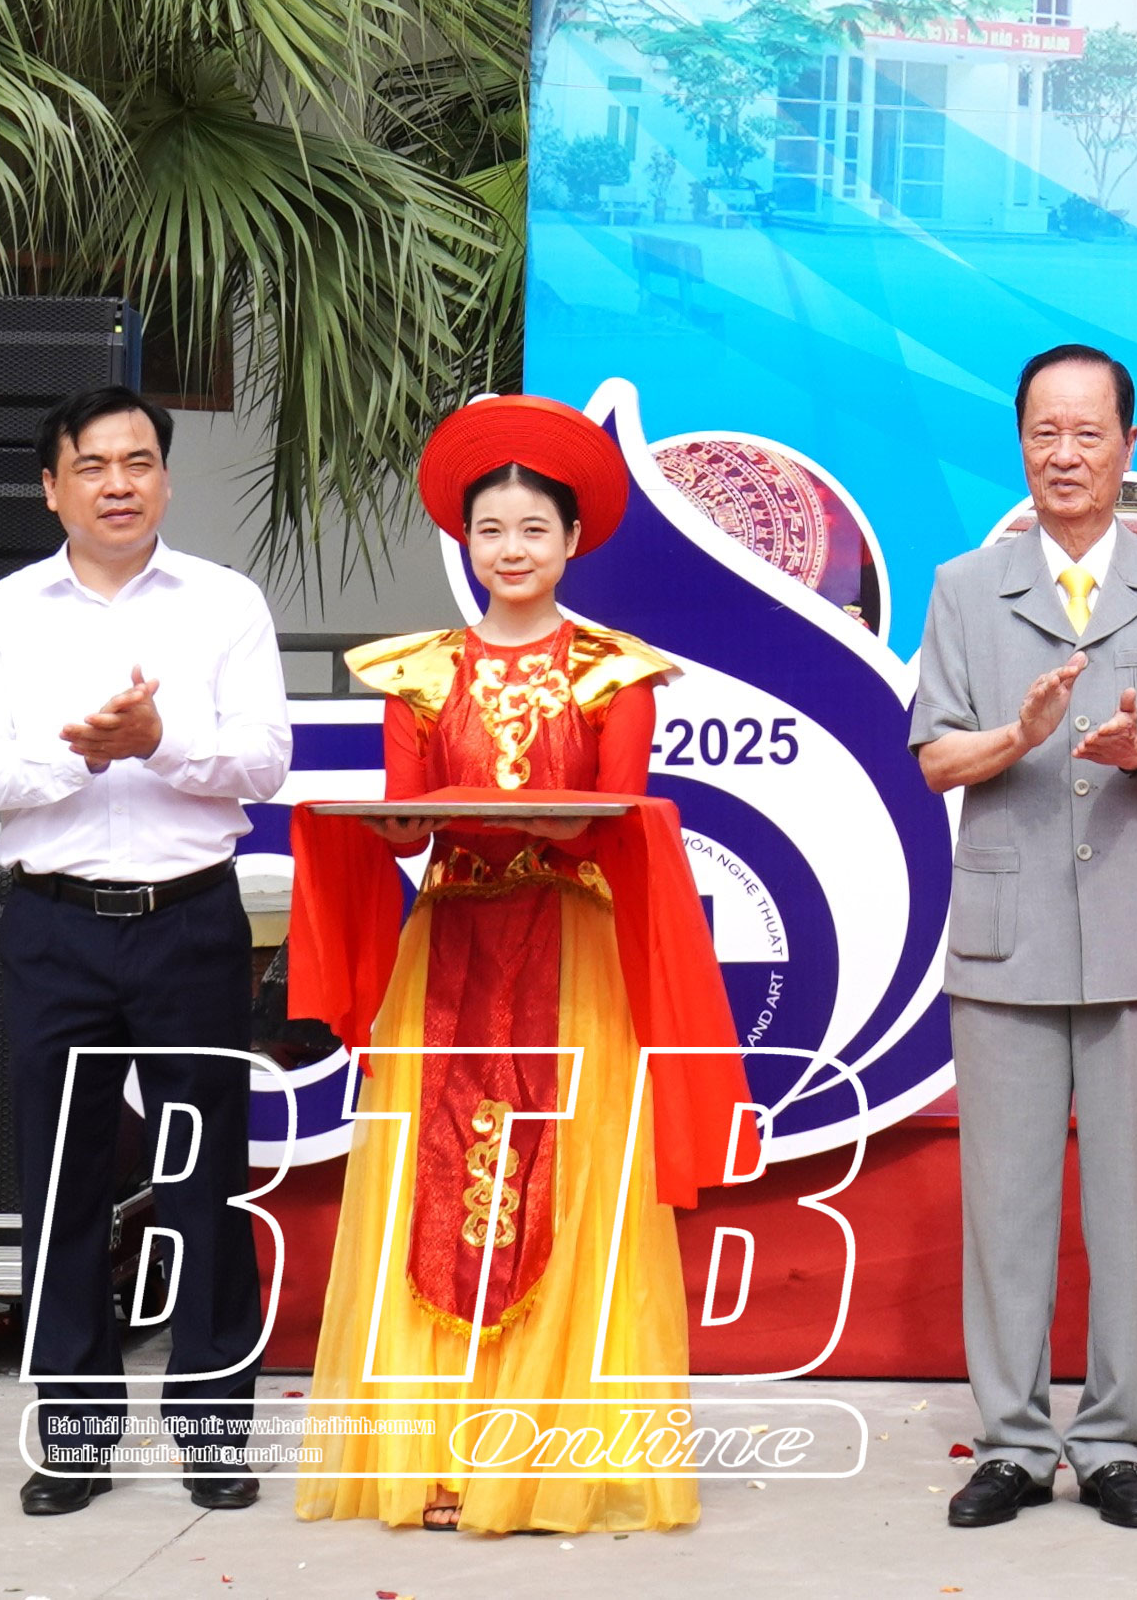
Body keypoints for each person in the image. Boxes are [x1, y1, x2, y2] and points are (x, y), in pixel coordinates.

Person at [281, 396, 739, 1535]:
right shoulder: (421, 672)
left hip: (569, 945)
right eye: (492, 529)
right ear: (465, 541)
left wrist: (522, 817)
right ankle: (436, 1455)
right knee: (429, 1183)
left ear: (572, 539)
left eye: (535, 528)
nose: (513, 548)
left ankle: (546, 1460)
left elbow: (614, 818)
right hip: (450, 943)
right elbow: (407, 824)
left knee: (567, 1178)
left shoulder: (612, 672)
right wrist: (400, 828)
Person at [0, 387, 290, 1515]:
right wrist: (85, 754)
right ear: (52, 488)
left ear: (166, 479)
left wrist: (161, 738)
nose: (118, 483)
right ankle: (75, 1438)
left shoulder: (226, 602)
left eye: (139, 461)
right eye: (91, 465)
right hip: (53, 925)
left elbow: (265, 759)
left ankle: (214, 1433)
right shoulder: (0, 615)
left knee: (205, 1176)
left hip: (192, 918)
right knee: (62, 1184)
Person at [912, 346, 1137, 1532]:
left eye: (1088, 433)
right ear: (1020, 443)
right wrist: (1021, 732)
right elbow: (937, 757)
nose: (1065, 454)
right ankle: (1010, 1442)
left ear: (1128, 447)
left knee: (1129, 1210)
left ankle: (1111, 1442)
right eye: (1044, 432)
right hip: (1006, 942)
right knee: (1004, 1208)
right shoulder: (965, 587)